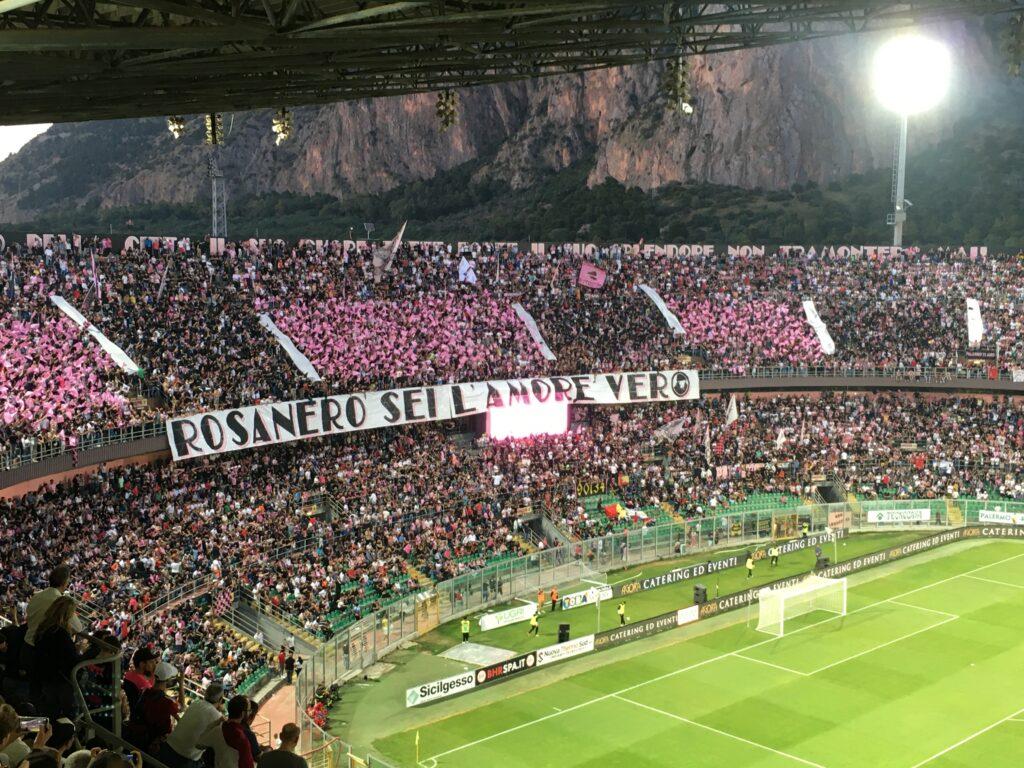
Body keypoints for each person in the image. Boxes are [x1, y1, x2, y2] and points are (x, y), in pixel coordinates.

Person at [32, 596, 83, 719]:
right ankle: (66, 735)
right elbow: (71, 660)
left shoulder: (44, 627)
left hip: (46, 677)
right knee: (67, 715)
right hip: (60, 681)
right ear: (67, 614)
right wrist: (80, 650)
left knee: (50, 712)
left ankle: (51, 734)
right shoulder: (60, 633)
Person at [163, 682, 225, 768]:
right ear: (221, 700)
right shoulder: (218, 717)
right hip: (186, 760)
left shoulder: (196, 703)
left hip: (167, 747)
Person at [129, 661, 184, 752]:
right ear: (169, 681)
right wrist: (181, 684)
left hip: (139, 736)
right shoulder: (167, 702)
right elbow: (182, 707)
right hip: (155, 742)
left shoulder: (144, 690)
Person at [198, 696, 253, 768]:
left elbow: (199, 744)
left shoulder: (217, 730)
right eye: (249, 710)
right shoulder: (242, 738)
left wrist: (217, 722)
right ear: (242, 714)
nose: (250, 713)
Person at [123, 647, 159, 716]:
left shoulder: (131, 674)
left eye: (155, 661)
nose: (155, 664)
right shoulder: (142, 683)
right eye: (151, 662)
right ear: (142, 664)